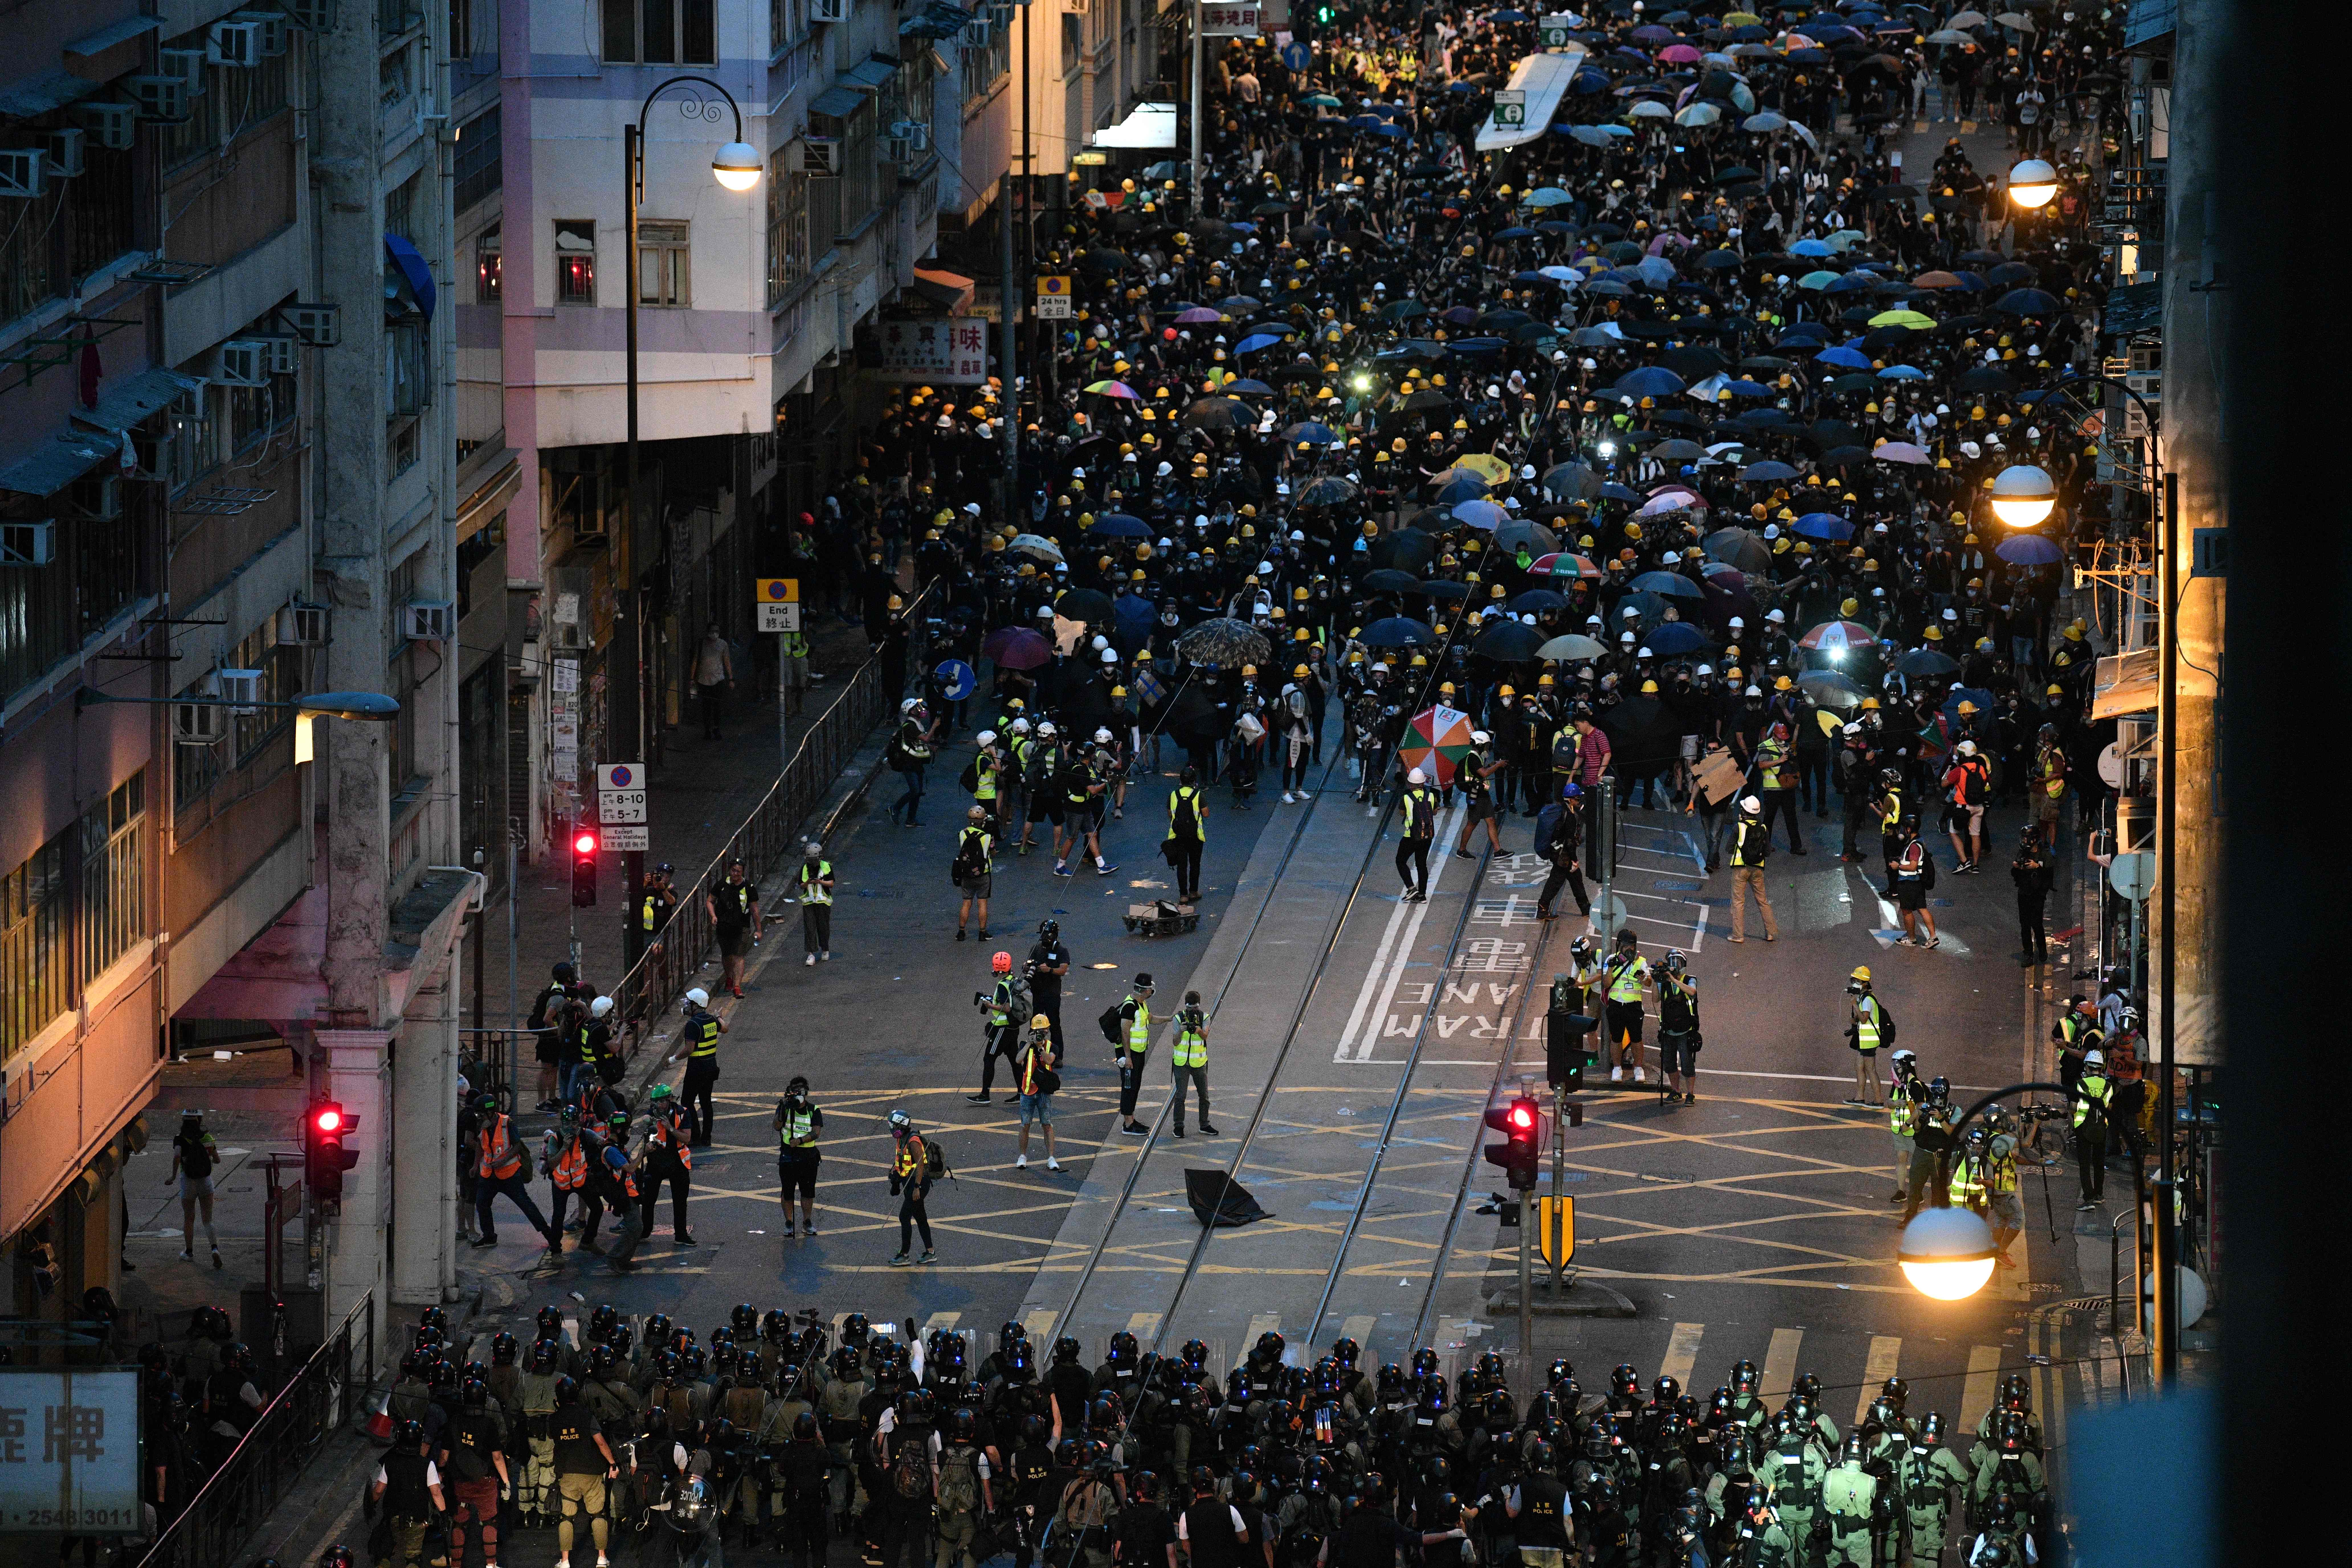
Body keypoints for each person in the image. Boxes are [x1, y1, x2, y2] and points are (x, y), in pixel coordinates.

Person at [473, 1093, 562, 1257]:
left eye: (481, 1114)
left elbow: (517, 1147)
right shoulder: (482, 1125)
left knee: (526, 1205)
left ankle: (549, 1236)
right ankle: (489, 1236)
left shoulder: (507, 1123)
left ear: (491, 1112)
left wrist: (503, 1161)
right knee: (482, 1204)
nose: (479, 1117)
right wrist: (475, 1166)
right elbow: (480, 1145)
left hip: (509, 1175)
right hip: (489, 1175)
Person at [548, 1375, 620, 1568]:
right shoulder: (587, 1415)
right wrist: (612, 1463)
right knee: (598, 1515)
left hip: (567, 1473)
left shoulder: (554, 1419)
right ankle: (602, 1558)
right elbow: (601, 1442)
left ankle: (565, 1561)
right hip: (591, 1472)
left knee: (566, 1518)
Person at [439, 1375, 510, 1568]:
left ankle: (456, 1564)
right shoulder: (489, 1425)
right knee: (489, 1522)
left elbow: (444, 1455)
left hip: (460, 1482)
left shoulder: (454, 1423)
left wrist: (441, 1474)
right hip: (485, 1482)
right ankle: (491, 1564)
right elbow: (497, 1457)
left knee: (459, 1523)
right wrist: (506, 1482)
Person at [369, 1420, 447, 1568]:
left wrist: (371, 1505)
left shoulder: (390, 1461)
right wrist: (444, 1516)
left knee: (385, 1554)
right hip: (417, 1519)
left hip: (392, 1517)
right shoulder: (427, 1465)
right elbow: (436, 1494)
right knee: (413, 1558)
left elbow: (378, 1491)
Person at [666, 986, 727, 1146]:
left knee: (687, 1102)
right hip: (711, 1067)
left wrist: (673, 1059)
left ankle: (695, 1135)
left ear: (696, 1006)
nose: (687, 1006)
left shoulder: (693, 1025)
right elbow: (725, 1029)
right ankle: (707, 1138)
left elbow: (689, 1049)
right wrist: (720, 1017)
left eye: (690, 1003)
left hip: (696, 1069)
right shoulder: (712, 1021)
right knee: (706, 1103)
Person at [639, 1082, 695, 1245]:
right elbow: (645, 1118)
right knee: (649, 1199)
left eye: (661, 1102)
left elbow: (687, 1139)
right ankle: (645, 1231)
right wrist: (648, 1120)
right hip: (657, 1160)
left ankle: (681, 1235)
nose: (658, 1106)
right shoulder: (654, 1112)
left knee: (680, 1201)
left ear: (669, 1100)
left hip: (678, 1161)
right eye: (655, 1103)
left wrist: (670, 1128)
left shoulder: (682, 1113)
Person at [166, 1109, 223, 1268]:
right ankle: (214, 1249)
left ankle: (189, 1252)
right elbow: (218, 1160)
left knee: (189, 1218)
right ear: (200, 1120)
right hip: (205, 1182)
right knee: (208, 1219)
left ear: (184, 1121)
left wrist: (172, 1176)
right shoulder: (208, 1138)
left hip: (188, 1181)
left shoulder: (180, 1139)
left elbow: (177, 1156)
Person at [971, 949, 1029, 1103]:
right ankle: (1022, 1093)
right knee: (1015, 1061)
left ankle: (985, 1095)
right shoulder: (1013, 980)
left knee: (989, 1059)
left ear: (995, 968)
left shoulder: (1003, 986)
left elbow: (1007, 1007)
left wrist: (990, 1005)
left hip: (1002, 1029)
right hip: (1013, 1028)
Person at [773, 1074, 824, 1239]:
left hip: (808, 1156)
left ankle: (807, 1221)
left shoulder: (814, 1110)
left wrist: (801, 1141)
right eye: (794, 1092)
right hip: (788, 1154)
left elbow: (816, 1133)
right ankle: (789, 1222)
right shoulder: (786, 1108)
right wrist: (782, 1108)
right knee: (787, 1191)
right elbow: (777, 1126)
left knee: (808, 1192)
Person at [1535, 781, 1591, 921]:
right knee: (1555, 883)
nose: (1579, 801)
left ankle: (1586, 908)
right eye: (1577, 798)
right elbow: (1570, 841)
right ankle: (1542, 909)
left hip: (1558, 852)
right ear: (1571, 800)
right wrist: (1574, 859)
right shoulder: (1570, 817)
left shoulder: (1561, 811)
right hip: (1563, 856)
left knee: (1576, 879)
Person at [886, 1108, 936, 1265]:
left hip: (918, 1184)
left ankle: (904, 1255)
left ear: (900, 1125)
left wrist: (917, 1187)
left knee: (904, 1217)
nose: (891, 1128)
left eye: (893, 1125)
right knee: (921, 1217)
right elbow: (902, 1159)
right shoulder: (902, 1139)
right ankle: (931, 1252)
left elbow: (920, 1164)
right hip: (908, 1182)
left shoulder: (913, 1140)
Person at [1013, 1015, 1063, 1173]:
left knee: (1047, 1125)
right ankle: (1022, 1157)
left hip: (1043, 1092)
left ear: (1047, 1031)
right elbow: (1018, 1060)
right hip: (1027, 1091)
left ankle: (1051, 1158)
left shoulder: (1052, 1047)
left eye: (1042, 1031)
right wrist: (1030, 1043)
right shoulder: (1025, 1045)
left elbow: (1049, 1061)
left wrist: (1041, 1047)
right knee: (1025, 1125)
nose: (1039, 1034)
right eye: (1036, 1031)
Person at [530, 963, 583, 1109]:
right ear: (567, 977)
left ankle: (552, 1098)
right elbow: (547, 1018)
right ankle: (541, 1102)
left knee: (553, 1069)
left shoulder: (558, 990)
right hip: (548, 1040)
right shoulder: (558, 997)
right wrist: (558, 1032)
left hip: (552, 1039)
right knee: (546, 1070)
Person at [1600, 928, 1649, 1083]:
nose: (1630, 949)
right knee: (1616, 1038)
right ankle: (1617, 1068)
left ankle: (1638, 1068)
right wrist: (1611, 968)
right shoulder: (1611, 960)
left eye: (1633, 946)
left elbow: (1649, 982)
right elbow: (1606, 983)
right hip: (1616, 1004)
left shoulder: (1641, 961)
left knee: (1637, 1038)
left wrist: (1643, 978)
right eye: (1627, 945)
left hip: (1634, 1005)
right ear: (1620, 944)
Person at [1727, 796, 1778, 944]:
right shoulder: (1763, 828)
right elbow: (1768, 852)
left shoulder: (1739, 827)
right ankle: (1770, 933)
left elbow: (1729, 849)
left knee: (1738, 902)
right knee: (1763, 901)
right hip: (1758, 869)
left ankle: (1738, 935)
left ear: (1744, 811)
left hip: (1741, 869)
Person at [1111, 972, 1157, 1134]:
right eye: (1150, 989)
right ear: (1144, 991)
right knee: (1129, 1087)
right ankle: (1128, 1125)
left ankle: (1130, 1119)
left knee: (1135, 1086)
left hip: (1139, 1053)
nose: (1152, 992)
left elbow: (1150, 1019)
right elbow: (1125, 1033)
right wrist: (1128, 1057)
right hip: (1130, 1054)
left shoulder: (1141, 1004)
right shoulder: (1130, 1006)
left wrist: (1170, 1018)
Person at [1169, 989, 1217, 1138]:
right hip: (1181, 1063)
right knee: (1180, 1097)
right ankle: (1179, 1127)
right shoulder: (1178, 1018)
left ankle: (1205, 1124)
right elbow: (1175, 1042)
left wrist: (1198, 1031)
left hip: (1199, 1063)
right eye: (1190, 1008)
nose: (1192, 1012)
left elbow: (1206, 1036)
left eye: (1195, 1008)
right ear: (1186, 1006)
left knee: (1204, 1096)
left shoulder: (1205, 1018)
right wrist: (1182, 1032)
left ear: (1199, 1006)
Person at [709, 859, 761, 997]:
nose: (736, 874)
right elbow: (710, 901)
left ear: (743, 872)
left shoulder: (749, 888)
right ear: (730, 871)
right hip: (724, 926)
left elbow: (755, 910)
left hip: (742, 927)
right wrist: (713, 916)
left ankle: (737, 986)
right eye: (733, 871)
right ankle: (729, 977)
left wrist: (759, 929)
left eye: (739, 871)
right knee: (727, 955)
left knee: (739, 955)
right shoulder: (721, 885)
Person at [1655, 952, 1700, 1105]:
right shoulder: (1664, 981)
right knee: (1669, 1063)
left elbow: (1692, 992)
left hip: (1686, 1030)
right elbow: (1655, 999)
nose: (1675, 965)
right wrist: (1657, 981)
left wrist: (1673, 979)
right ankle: (1676, 1092)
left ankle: (1691, 1094)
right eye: (1672, 962)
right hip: (1669, 1030)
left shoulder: (1690, 980)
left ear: (1684, 964)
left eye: (1678, 962)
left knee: (1687, 1064)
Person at [1940, 740, 1992, 872]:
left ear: (1963, 755)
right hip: (1979, 807)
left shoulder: (1959, 770)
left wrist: (1951, 769)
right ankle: (1975, 865)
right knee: (1976, 835)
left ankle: (1964, 861)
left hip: (1963, 807)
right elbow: (1986, 781)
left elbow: (1944, 784)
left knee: (1953, 832)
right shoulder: (1981, 769)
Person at [1452, 733, 1506, 859]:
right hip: (1477, 796)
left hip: (1483, 795)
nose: (1488, 749)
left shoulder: (1477, 758)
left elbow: (1479, 771)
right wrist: (1498, 766)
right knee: (1472, 823)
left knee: (1491, 820)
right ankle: (1462, 850)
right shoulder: (1473, 758)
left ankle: (1498, 850)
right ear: (1481, 745)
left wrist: (1490, 765)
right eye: (1487, 745)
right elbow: (1483, 773)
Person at [1845, 968, 1890, 1108]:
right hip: (1864, 1041)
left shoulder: (1868, 1000)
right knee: (1859, 1067)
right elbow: (1862, 1020)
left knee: (1871, 1070)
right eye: (1853, 981)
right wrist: (1855, 1022)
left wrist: (1855, 1006)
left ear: (1864, 983)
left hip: (1870, 1041)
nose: (1854, 984)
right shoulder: (1864, 998)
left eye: (1857, 981)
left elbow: (1865, 1019)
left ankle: (1879, 1100)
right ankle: (1860, 1098)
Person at [2072, 1048, 2112, 1209]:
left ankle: (2088, 1199)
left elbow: (2074, 1106)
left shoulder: (2081, 1084)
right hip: (2102, 1128)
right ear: (2101, 1069)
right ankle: (2098, 1195)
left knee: (2085, 1164)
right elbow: (2110, 1106)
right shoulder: (2109, 1086)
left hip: (2083, 1128)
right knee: (2099, 1163)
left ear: (2087, 1068)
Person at [1889, 824, 1939, 948]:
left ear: (1909, 829)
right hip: (1917, 883)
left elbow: (1913, 867)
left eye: (1904, 828)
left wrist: (1898, 866)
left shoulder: (1914, 846)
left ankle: (1912, 939)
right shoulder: (1919, 842)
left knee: (1906, 911)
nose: (1903, 831)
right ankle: (1933, 937)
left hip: (1908, 883)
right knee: (1922, 909)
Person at [1026, 917, 1071, 1056]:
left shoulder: (1062, 951)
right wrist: (1027, 967)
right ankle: (1034, 1053)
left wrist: (1050, 970)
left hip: (1052, 994)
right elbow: (1028, 963)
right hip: (1037, 993)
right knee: (1035, 1024)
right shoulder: (1036, 949)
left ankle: (1057, 1055)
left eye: (1049, 935)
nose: (1046, 938)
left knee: (1055, 1025)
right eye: (1044, 935)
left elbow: (1063, 970)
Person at [2010, 826, 2053, 966]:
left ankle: (2042, 950)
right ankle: (2028, 953)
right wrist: (2017, 868)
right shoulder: (2022, 853)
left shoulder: (2045, 855)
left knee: (2037, 924)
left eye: (2026, 838)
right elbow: (2015, 875)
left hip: (2038, 895)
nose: (2024, 841)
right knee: (2025, 925)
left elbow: (2050, 875)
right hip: (2024, 893)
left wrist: (2037, 868)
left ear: (2034, 839)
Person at [888, 700, 936, 827]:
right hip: (908, 763)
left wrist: (931, 748)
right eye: (917, 708)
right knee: (915, 791)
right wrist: (935, 726)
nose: (921, 710)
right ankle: (895, 808)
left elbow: (919, 742)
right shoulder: (910, 725)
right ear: (912, 711)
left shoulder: (917, 724)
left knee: (918, 792)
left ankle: (911, 820)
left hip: (917, 763)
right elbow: (925, 738)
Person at [1165, 767, 1208, 903]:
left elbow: (1170, 814)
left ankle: (1183, 895)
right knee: (1195, 864)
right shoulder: (1199, 795)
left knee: (1182, 866)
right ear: (1194, 781)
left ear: (1180, 781)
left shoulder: (1173, 795)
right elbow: (1206, 814)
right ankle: (1194, 892)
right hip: (1196, 836)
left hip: (1178, 836)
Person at [953, 805, 995, 940]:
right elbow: (993, 852)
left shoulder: (962, 834)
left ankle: (961, 933)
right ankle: (982, 933)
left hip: (966, 873)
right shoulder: (987, 837)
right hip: (983, 874)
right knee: (982, 904)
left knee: (966, 904)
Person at [1397, 767, 1438, 902]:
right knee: (1422, 865)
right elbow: (1435, 812)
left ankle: (1411, 888)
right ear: (1423, 783)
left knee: (1401, 861)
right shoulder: (1431, 796)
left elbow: (1402, 813)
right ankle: (1422, 895)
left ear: (1410, 784)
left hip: (1411, 837)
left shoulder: (1406, 797)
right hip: (1427, 836)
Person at [692, 622, 734, 741]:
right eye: (712, 631)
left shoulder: (723, 645)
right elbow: (695, 661)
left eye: (717, 631)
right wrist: (692, 678)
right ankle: (707, 730)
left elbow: (727, 662)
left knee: (717, 706)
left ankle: (716, 729)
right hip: (703, 680)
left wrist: (731, 678)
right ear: (708, 632)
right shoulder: (701, 645)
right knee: (706, 707)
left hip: (718, 680)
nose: (715, 634)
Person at [797, 842, 834, 964]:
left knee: (823, 927)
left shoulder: (826, 867)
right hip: (809, 904)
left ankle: (825, 949)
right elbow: (801, 885)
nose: (813, 863)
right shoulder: (804, 869)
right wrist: (808, 882)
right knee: (810, 928)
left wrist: (820, 882)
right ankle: (811, 954)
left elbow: (832, 884)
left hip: (823, 903)